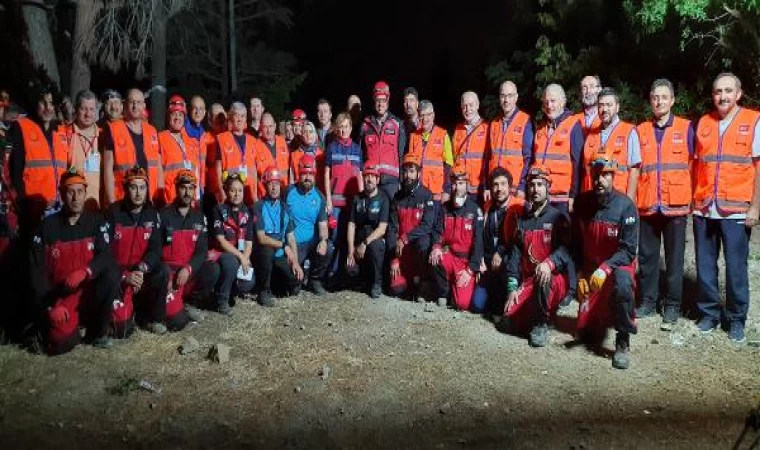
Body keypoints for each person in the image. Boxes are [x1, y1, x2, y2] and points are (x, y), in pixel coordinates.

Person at [692, 72, 760, 343]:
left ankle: (736, 318)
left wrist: (755, 207)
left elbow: (758, 167)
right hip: (704, 208)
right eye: (718, 91)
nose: (723, 96)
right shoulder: (704, 123)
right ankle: (708, 313)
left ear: (739, 94)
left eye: (728, 91)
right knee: (705, 265)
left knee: (735, 268)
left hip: (737, 209)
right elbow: (696, 164)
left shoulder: (753, 121)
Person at [29, 168, 118, 354]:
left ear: (85, 193)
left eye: (80, 192)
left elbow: (106, 256)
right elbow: (36, 272)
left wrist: (86, 271)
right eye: (70, 192)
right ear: (62, 194)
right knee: (62, 344)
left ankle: (99, 333)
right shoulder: (46, 227)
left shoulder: (95, 221)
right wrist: (50, 306)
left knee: (111, 275)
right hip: (62, 297)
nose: (76, 198)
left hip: (88, 293)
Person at [634, 79, 693, 330]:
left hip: (676, 205)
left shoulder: (687, 128)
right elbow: (636, 168)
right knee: (647, 258)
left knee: (674, 260)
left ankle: (672, 305)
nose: (659, 101)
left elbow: (695, 165)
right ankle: (648, 301)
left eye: (664, 97)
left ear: (672, 100)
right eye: (655, 97)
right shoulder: (640, 130)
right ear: (650, 100)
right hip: (647, 204)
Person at [573, 157, 638, 369]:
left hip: (616, 265)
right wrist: (580, 273)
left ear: (613, 176)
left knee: (623, 284)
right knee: (586, 333)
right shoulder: (583, 203)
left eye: (605, 175)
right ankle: (600, 315)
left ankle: (623, 339)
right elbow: (575, 244)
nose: (600, 180)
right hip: (592, 269)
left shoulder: (626, 206)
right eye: (596, 176)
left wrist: (606, 268)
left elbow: (628, 251)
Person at [502, 165, 572, 346]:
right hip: (530, 281)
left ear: (548, 187)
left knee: (544, 277)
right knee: (508, 322)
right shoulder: (522, 222)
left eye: (540, 184)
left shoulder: (559, 218)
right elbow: (515, 258)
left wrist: (550, 263)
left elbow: (567, 250)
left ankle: (542, 323)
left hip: (554, 280)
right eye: (532, 185)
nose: (535, 189)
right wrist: (512, 289)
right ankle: (537, 312)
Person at [106, 166, 170, 336]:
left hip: (140, 273)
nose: (138, 193)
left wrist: (141, 269)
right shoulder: (112, 213)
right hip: (117, 275)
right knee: (122, 330)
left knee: (163, 270)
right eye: (133, 187)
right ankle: (127, 313)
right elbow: (104, 252)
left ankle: (155, 319)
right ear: (126, 189)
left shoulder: (152, 213)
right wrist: (125, 275)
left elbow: (156, 250)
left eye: (142, 187)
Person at [160, 169, 219, 328]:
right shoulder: (163, 215)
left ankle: (190, 302)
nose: (187, 192)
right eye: (183, 187)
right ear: (176, 188)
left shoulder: (199, 216)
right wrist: (164, 275)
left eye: (191, 188)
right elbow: (155, 251)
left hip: (188, 273)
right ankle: (165, 311)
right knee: (177, 323)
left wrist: (188, 268)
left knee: (212, 270)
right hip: (170, 276)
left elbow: (201, 250)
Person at [9, 88, 68, 235]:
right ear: (36, 103)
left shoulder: (61, 130)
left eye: (51, 103)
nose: (48, 108)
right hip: (33, 207)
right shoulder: (22, 127)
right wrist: (23, 203)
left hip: (59, 206)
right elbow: (15, 170)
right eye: (43, 103)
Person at [430, 163, 484, 310]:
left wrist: (470, 270)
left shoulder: (475, 210)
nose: (457, 187)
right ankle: (444, 292)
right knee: (434, 258)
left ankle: (457, 288)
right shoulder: (445, 208)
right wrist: (436, 247)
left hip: (465, 262)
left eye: (461, 183)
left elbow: (479, 244)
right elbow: (437, 231)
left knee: (462, 304)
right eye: (454, 184)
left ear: (467, 185)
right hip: (450, 256)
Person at [472, 167, 525, 314]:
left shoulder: (519, 207)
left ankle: (508, 295)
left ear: (510, 187)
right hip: (488, 260)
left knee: (503, 308)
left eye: (503, 184)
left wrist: (500, 253)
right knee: (477, 306)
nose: (499, 189)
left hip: (508, 259)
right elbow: (481, 236)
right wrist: (480, 259)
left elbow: (517, 240)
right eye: (495, 184)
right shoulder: (488, 206)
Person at [252, 166, 304, 307]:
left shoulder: (285, 208)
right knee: (267, 251)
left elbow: (291, 237)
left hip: (280, 254)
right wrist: (283, 245)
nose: (274, 187)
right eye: (270, 184)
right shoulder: (258, 207)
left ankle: (276, 285)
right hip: (263, 253)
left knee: (296, 280)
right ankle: (264, 292)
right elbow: (261, 238)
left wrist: (295, 262)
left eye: (276, 184)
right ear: (265, 186)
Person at [102, 88, 163, 205]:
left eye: (139, 102)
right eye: (132, 102)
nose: (135, 106)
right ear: (125, 105)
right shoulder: (113, 129)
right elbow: (108, 170)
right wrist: (111, 202)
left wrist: (160, 196)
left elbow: (158, 166)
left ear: (144, 105)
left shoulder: (152, 131)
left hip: (149, 198)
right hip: (122, 198)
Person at [387, 154, 435, 300]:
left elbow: (427, 225)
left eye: (412, 171)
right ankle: (406, 279)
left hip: (416, 248)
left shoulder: (426, 195)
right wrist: (394, 259)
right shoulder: (397, 197)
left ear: (419, 173)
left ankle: (421, 280)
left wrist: (405, 238)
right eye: (406, 171)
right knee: (397, 290)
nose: (408, 175)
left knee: (425, 242)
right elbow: (392, 228)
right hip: (401, 252)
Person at [324, 112, 363, 285]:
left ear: (351, 128)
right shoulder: (331, 147)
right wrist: (328, 200)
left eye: (346, 127)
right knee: (335, 238)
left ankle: (349, 275)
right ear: (336, 129)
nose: (343, 130)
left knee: (351, 239)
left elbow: (360, 175)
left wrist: (362, 198)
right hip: (336, 203)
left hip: (352, 202)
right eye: (340, 127)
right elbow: (326, 175)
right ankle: (331, 273)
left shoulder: (357, 148)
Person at [581, 87, 641, 200]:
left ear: (617, 107)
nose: (604, 109)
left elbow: (634, 171)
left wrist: (629, 203)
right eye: (601, 105)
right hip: (593, 199)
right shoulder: (590, 135)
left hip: (618, 199)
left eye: (609, 105)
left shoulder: (629, 131)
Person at [533, 84, 584, 214]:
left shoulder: (573, 125)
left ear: (562, 102)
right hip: (541, 197)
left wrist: (573, 195)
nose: (549, 106)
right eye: (546, 102)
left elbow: (578, 164)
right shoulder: (540, 128)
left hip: (563, 199)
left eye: (553, 101)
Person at [209, 172, 256, 315]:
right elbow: (221, 241)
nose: (237, 194)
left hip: (240, 254)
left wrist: (246, 258)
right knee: (231, 262)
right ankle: (222, 301)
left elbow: (249, 241)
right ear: (226, 191)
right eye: (232, 190)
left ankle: (231, 292)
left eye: (240, 190)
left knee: (248, 283)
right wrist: (240, 257)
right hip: (220, 253)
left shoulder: (246, 211)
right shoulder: (218, 210)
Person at [285, 155, 331, 295]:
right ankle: (297, 280)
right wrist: (286, 247)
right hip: (294, 244)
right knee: (294, 288)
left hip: (311, 242)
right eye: (304, 174)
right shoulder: (287, 192)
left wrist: (323, 241)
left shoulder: (319, 197)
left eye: (311, 174)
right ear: (299, 174)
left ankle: (314, 280)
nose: (307, 177)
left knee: (328, 248)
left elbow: (323, 226)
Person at [347, 165, 389, 299]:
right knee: (349, 270)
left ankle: (377, 283)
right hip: (360, 236)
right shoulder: (357, 198)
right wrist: (350, 251)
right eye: (366, 176)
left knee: (375, 247)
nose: (369, 179)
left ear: (377, 180)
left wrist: (365, 243)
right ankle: (363, 280)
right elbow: (351, 225)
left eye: (372, 176)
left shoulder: (383, 198)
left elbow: (382, 228)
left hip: (374, 237)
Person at [360, 81, 406, 200]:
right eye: (378, 101)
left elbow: (401, 155)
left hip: (391, 181)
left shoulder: (397, 124)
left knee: (391, 215)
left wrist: (401, 181)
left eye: (383, 101)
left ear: (388, 101)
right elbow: (360, 155)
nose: (380, 104)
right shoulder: (365, 125)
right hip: (371, 179)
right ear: (374, 101)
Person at [487, 81, 533, 198]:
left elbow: (529, 158)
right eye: (503, 96)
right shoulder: (494, 123)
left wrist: (522, 186)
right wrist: (487, 187)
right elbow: (488, 158)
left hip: (515, 189)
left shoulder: (525, 121)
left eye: (510, 96)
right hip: (496, 188)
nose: (506, 100)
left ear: (516, 98)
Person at [159, 95, 203, 206]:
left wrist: (197, 197)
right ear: (168, 116)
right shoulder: (160, 138)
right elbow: (156, 172)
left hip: (190, 201)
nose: (177, 118)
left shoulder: (192, 142)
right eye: (173, 114)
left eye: (180, 115)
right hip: (170, 200)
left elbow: (196, 171)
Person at [406, 100, 453, 203]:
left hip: (435, 194)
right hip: (417, 192)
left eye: (428, 115)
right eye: (422, 115)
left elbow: (448, 166)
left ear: (433, 115)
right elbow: (410, 167)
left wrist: (447, 190)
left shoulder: (443, 135)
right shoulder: (413, 137)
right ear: (418, 117)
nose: (425, 119)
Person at [63, 90, 101, 211]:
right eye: (83, 109)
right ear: (76, 109)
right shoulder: (66, 133)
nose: (88, 114)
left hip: (97, 205)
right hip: (73, 205)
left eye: (92, 109)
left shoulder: (103, 136)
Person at [215, 102, 258, 205]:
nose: (239, 119)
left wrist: (255, 193)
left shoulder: (253, 140)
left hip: (249, 193)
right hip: (231, 193)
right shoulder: (222, 139)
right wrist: (221, 191)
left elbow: (254, 170)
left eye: (242, 116)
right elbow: (218, 168)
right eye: (236, 115)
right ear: (231, 117)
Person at [452, 91, 489, 203]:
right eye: (464, 106)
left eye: (471, 105)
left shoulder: (487, 128)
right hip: (461, 190)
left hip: (480, 190)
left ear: (478, 105)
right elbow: (454, 159)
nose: (468, 109)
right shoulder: (458, 130)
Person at [255, 112, 290, 198]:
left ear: (275, 126)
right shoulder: (255, 145)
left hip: (284, 192)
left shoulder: (283, 142)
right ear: (260, 127)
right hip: (265, 195)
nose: (268, 130)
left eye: (270, 126)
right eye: (265, 127)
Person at [290, 121, 325, 192]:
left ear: (315, 135)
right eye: (305, 132)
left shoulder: (321, 155)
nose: (308, 135)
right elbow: (291, 179)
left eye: (311, 131)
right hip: (298, 192)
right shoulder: (294, 155)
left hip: (317, 194)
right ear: (302, 135)